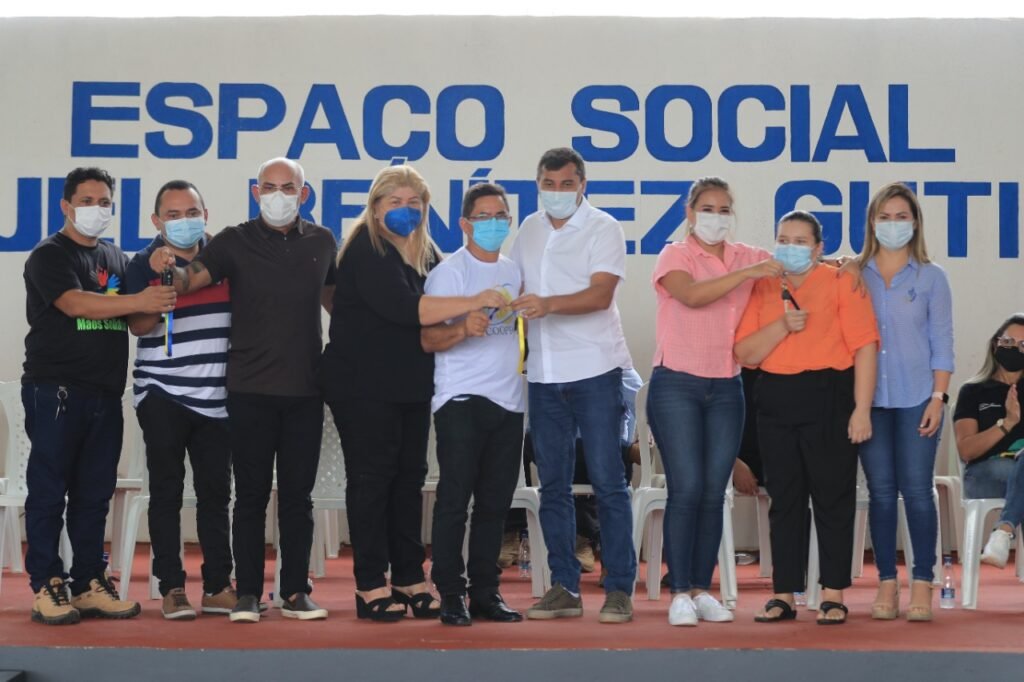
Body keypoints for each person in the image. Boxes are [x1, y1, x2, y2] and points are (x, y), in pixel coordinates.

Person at [150, 158, 337, 623]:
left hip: (305, 391)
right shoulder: (234, 240)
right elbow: (190, 280)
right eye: (269, 187)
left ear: (304, 193)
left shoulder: (323, 241)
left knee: (298, 499)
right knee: (250, 496)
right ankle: (249, 594)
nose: (278, 196)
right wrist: (168, 267)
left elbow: (338, 302)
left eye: (288, 188)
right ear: (256, 193)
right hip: (248, 390)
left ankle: (295, 592)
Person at [320, 165, 505, 622]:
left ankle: (408, 576)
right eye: (395, 202)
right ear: (375, 207)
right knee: (372, 479)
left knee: (409, 479)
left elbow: (443, 296)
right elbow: (409, 309)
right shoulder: (367, 248)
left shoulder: (425, 251)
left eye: (414, 203)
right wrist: (476, 300)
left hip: (411, 383)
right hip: (362, 384)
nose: (405, 211)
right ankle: (369, 583)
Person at [22, 166, 175, 625]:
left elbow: (137, 322)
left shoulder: (114, 257)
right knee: (49, 491)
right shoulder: (49, 254)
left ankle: (89, 581)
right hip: (57, 391)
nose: (96, 209)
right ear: (66, 206)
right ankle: (47, 583)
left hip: (106, 395)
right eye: (86, 201)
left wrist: (158, 288)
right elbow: (75, 303)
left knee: (94, 494)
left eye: (104, 202)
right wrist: (140, 301)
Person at [646, 176, 782, 626]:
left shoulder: (748, 255)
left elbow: (791, 264)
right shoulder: (676, 254)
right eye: (708, 208)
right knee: (686, 488)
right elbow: (691, 295)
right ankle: (679, 591)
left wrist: (842, 263)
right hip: (676, 385)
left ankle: (702, 589)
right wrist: (744, 275)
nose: (717, 217)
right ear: (690, 213)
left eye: (725, 210)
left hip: (726, 387)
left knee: (712, 492)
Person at [509, 147, 637, 624]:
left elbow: (601, 295)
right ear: (538, 184)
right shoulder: (528, 228)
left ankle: (619, 588)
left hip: (595, 370)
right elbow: (514, 288)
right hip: (544, 375)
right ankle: (564, 585)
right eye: (549, 184)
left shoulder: (604, 227)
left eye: (567, 184)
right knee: (553, 487)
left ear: (583, 184)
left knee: (609, 484)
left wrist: (547, 304)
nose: (557, 192)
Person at [735, 210, 879, 625]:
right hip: (775, 398)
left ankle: (832, 593)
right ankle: (784, 594)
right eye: (784, 239)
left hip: (830, 394)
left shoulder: (841, 281)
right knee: (784, 499)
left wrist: (862, 409)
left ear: (818, 249)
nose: (791, 248)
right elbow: (745, 353)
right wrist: (782, 326)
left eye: (801, 241)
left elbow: (865, 346)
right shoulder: (764, 284)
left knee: (833, 497)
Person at [124, 180, 234, 620]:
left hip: (217, 397)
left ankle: (218, 586)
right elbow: (137, 325)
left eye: (191, 212)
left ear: (205, 215)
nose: (183, 221)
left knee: (215, 495)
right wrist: (163, 288)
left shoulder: (224, 260)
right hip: (162, 391)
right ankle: (171, 587)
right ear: (157, 221)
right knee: (167, 493)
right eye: (172, 215)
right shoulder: (141, 263)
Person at [421, 182, 525, 626]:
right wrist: (464, 327)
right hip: (461, 398)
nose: (493, 224)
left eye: (500, 216)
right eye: (483, 217)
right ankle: (450, 592)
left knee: (495, 504)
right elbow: (427, 339)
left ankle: (485, 591)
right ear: (465, 224)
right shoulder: (450, 273)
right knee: (454, 500)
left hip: (510, 401)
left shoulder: (514, 271)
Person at [855, 183, 954, 622]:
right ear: (872, 222)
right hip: (869, 399)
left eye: (901, 217)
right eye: (885, 217)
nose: (892, 224)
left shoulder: (932, 277)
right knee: (880, 492)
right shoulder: (855, 274)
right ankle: (886, 583)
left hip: (918, 397)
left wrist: (938, 397)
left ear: (915, 223)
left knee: (916, 490)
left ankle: (923, 581)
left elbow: (942, 342)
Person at [953, 314, 1024, 569]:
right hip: (986, 474)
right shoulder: (974, 390)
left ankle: (1003, 532)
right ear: (995, 344)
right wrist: (1007, 424)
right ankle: (1004, 531)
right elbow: (966, 450)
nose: (1014, 349)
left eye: (1023, 345)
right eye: (1008, 341)